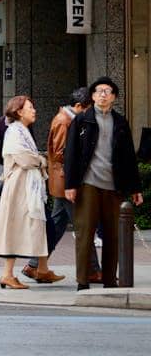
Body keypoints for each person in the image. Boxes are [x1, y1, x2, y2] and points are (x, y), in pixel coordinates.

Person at [64, 77, 145, 291]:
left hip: (113, 185)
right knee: (85, 233)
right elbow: (70, 154)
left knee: (112, 235)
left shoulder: (120, 122)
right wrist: (70, 185)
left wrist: (135, 188)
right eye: (99, 91)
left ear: (114, 97)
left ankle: (110, 279)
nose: (103, 94)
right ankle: (83, 281)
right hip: (88, 184)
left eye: (108, 91)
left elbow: (129, 157)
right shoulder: (82, 121)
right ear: (92, 96)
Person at [25, 87, 99, 284]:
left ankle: (33, 266)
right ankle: (92, 269)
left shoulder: (69, 119)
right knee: (84, 224)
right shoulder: (64, 121)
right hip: (66, 181)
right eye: (88, 108)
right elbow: (60, 153)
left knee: (57, 225)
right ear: (77, 106)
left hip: (63, 181)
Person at [0, 95, 62, 289]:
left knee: (45, 226)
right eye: (30, 107)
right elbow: (25, 159)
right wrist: (40, 160)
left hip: (29, 188)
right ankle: (7, 274)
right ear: (19, 111)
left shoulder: (23, 130)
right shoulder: (14, 131)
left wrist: (38, 159)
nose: (34, 110)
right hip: (19, 190)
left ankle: (42, 268)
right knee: (15, 229)